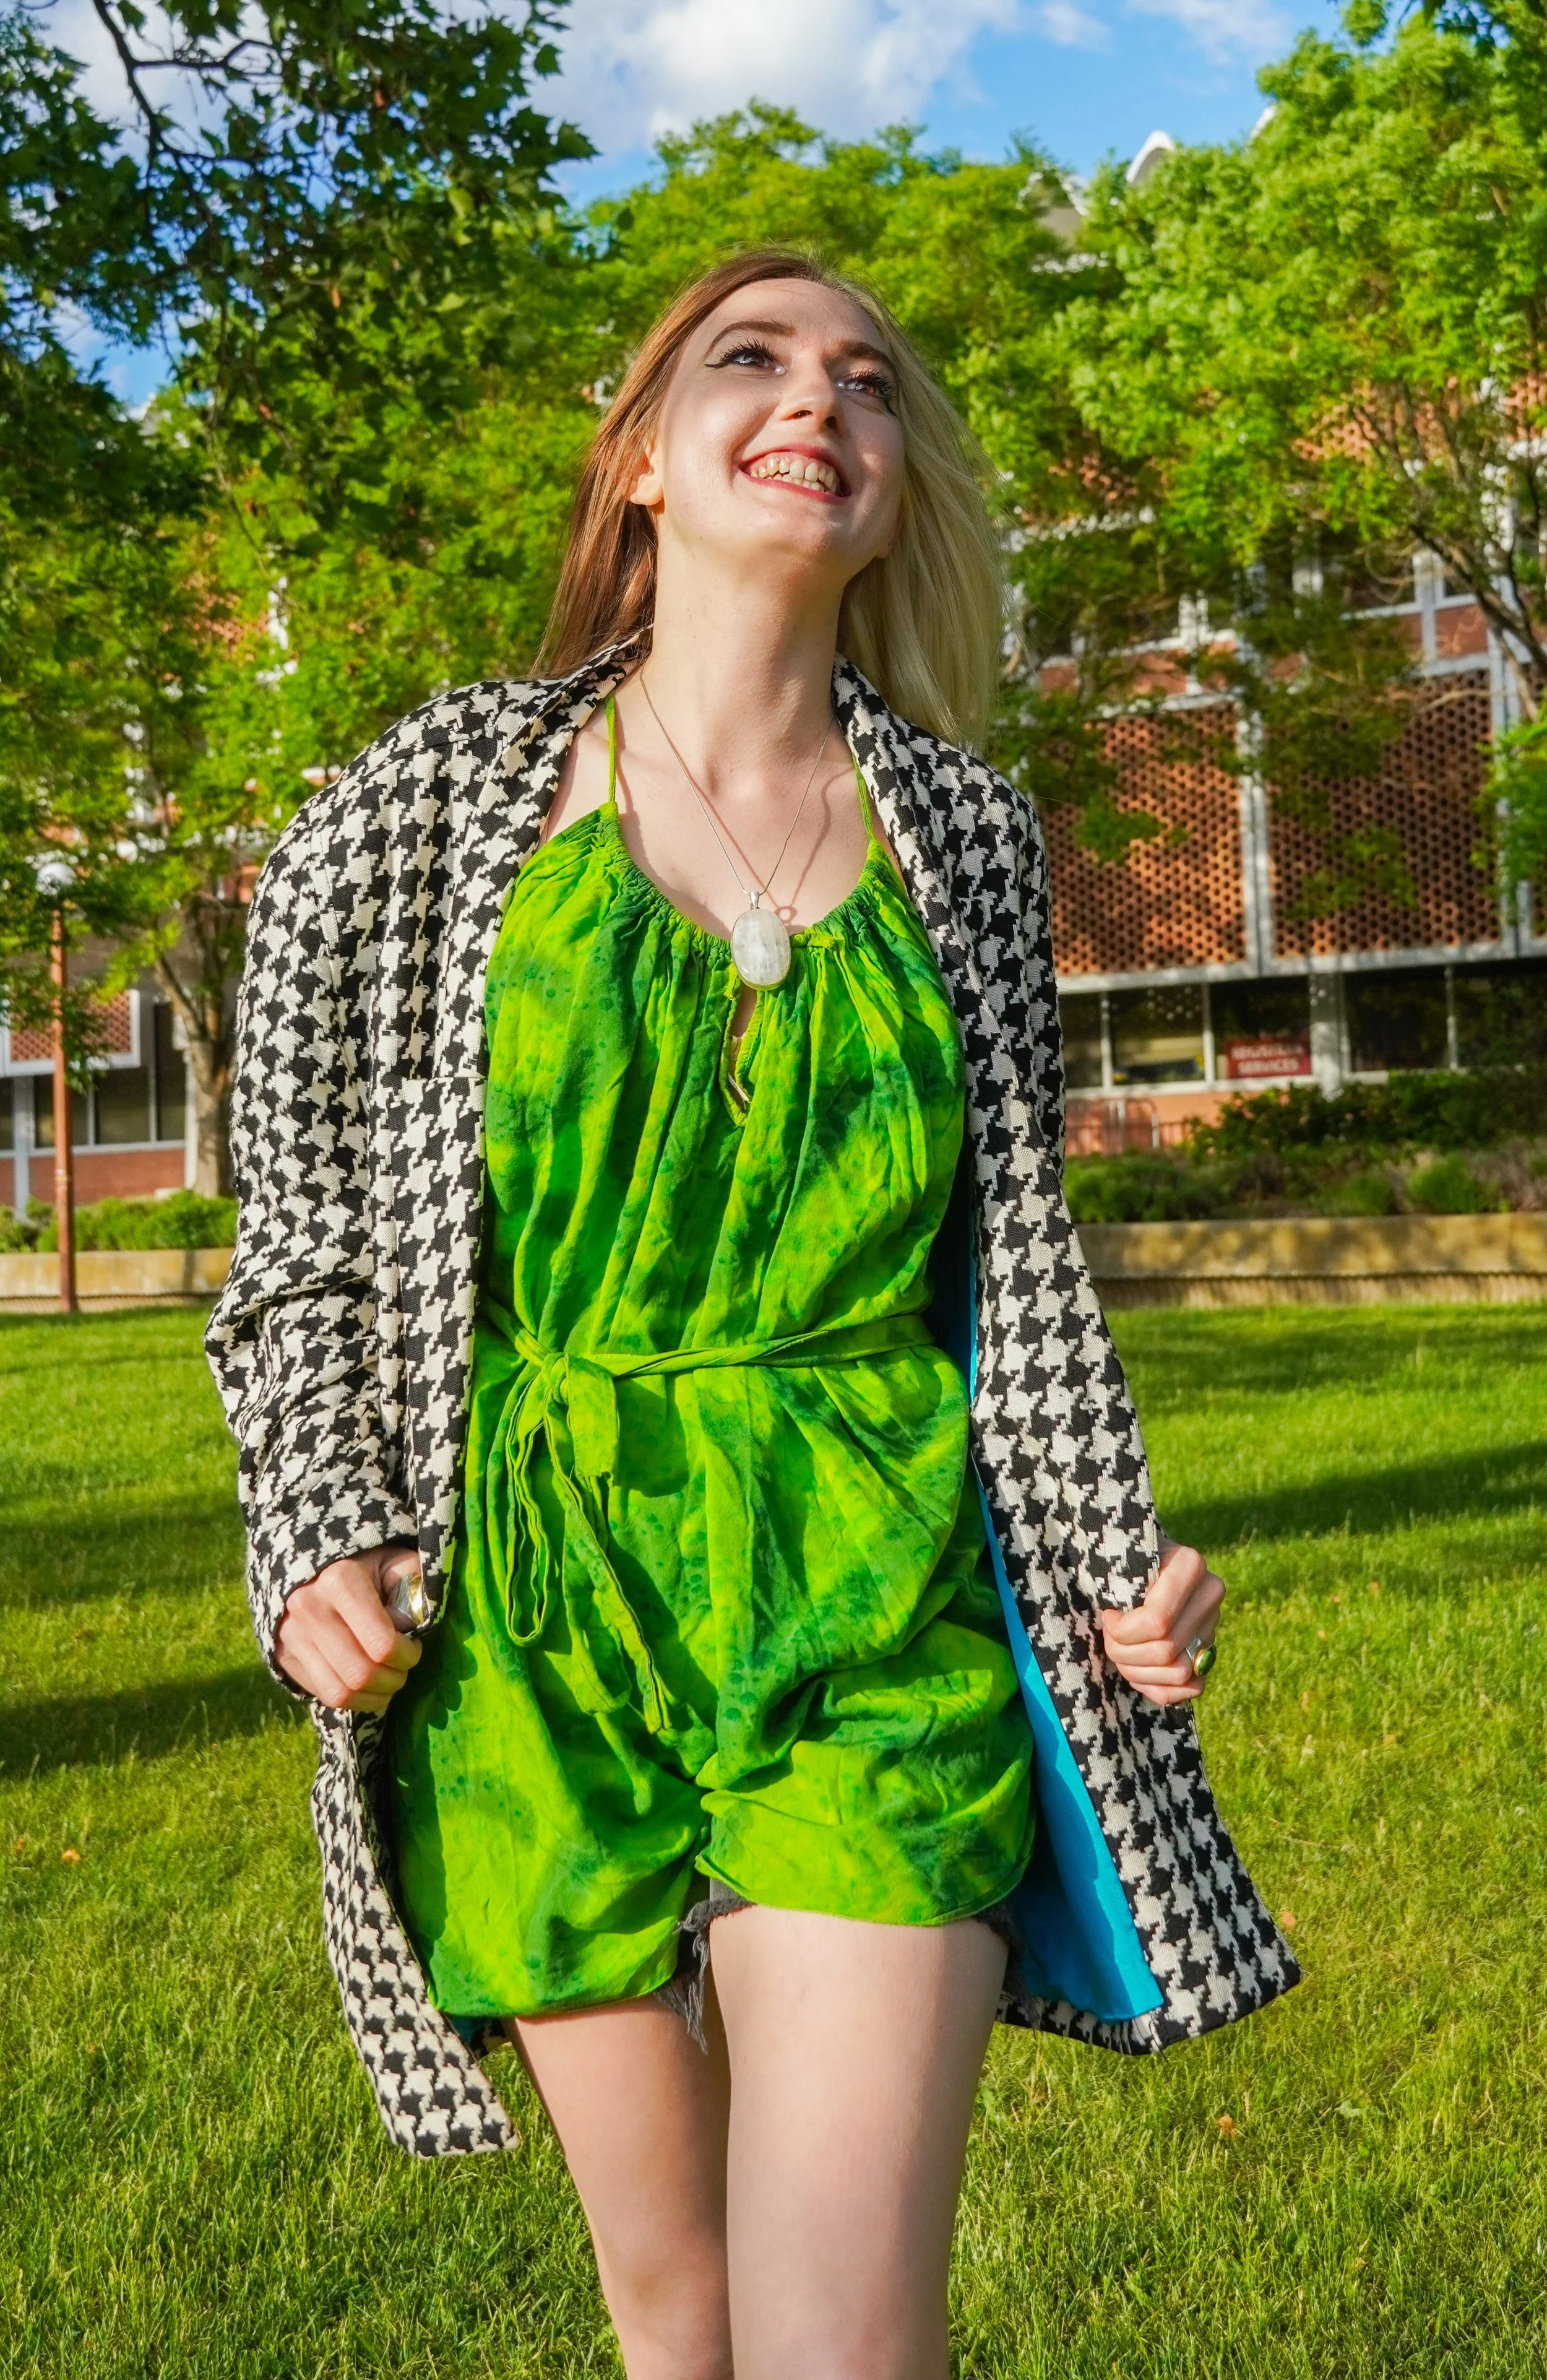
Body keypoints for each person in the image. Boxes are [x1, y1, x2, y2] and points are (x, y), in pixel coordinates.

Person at [207, 249, 1296, 2380]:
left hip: (866, 1587)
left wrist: (1108, 1565)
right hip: (523, 1611)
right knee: (675, 2312)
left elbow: (1015, 1269)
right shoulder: (412, 811)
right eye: (753, 360)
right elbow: (304, 1251)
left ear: (892, 482)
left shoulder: (969, 839)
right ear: (637, 462)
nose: (822, 398)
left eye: (869, 383)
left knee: (836, 2334)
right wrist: (312, 1534)